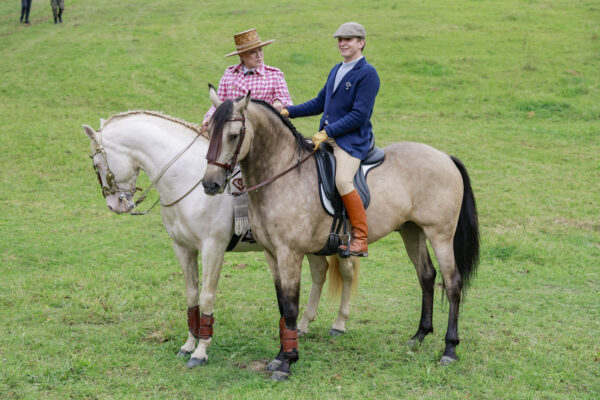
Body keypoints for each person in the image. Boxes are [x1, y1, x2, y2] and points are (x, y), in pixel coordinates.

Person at [281, 22, 380, 257]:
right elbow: (319, 103)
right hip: (329, 138)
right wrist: (288, 111)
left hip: (351, 141)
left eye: (348, 39)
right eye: (339, 40)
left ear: (361, 42)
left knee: (343, 181)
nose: (343, 43)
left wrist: (328, 132)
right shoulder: (337, 69)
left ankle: (360, 237)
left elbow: (360, 115)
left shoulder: (368, 73)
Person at [202, 28, 293, 129]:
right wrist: (210, 116)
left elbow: (287, 101)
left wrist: (278, 101)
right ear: (241, 55)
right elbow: (219, 103)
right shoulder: (229, 75)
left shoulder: (274, 75)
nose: (259, 55)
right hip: (234, 131)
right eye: (253, 52)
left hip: (265, 132)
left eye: (260, 50)